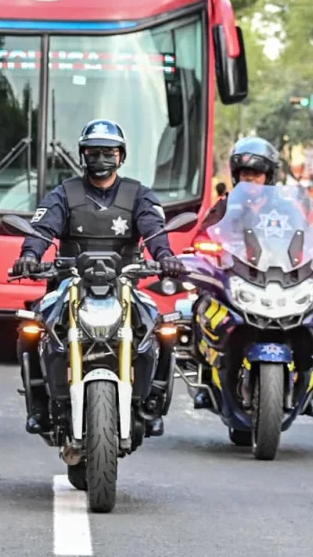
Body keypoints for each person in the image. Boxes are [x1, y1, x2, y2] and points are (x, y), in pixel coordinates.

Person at [10, 119, 185, 436]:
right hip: (71, 283)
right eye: (93, 153)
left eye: (109, 152)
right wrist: (30, 256)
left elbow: (154, 230)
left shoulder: (139, 195)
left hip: (125, 284)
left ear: (121, 156)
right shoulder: (64, 193)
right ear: (82, 156)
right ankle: (39, 407)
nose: (101, 160)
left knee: (162, 328)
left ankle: (152, 403)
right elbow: (42, 228)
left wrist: (166, 257)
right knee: (31, 328)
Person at [199, 137, 284, 232]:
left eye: (256, 173)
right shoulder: (224, 207)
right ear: (237, 176)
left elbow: (301, 234)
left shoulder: (283, 208)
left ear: (269, 177)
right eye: (245, 174)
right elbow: (205, 234)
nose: (250, 178)